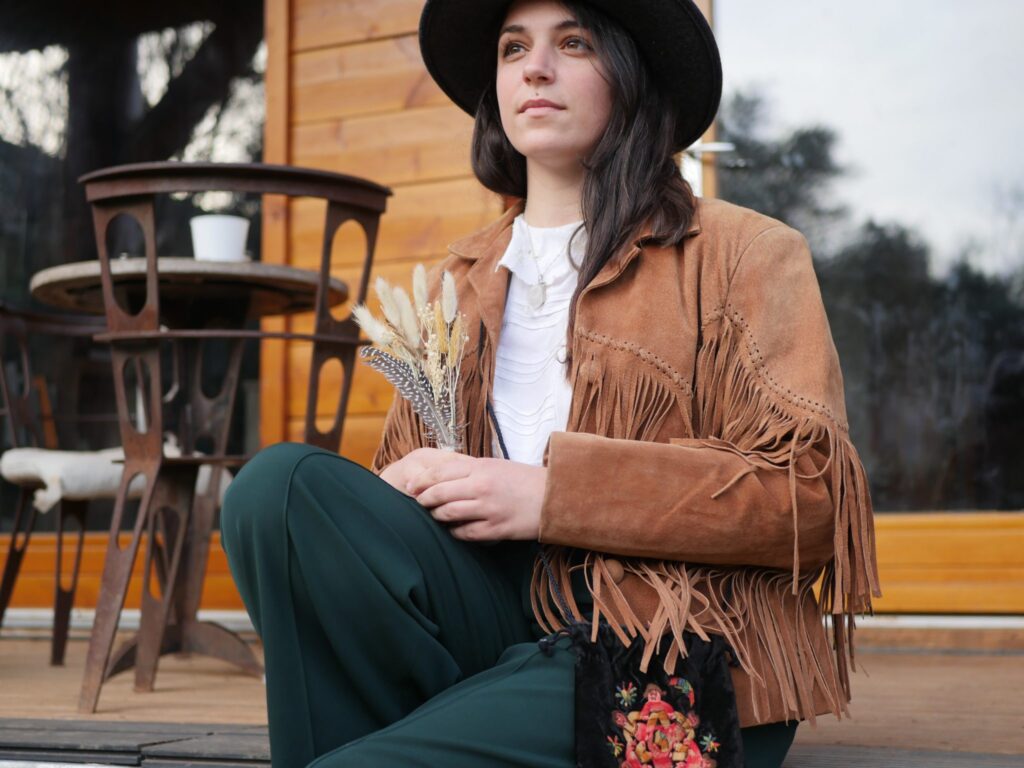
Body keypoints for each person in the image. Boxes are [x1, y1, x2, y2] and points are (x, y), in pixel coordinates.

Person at [220, 1, 881, 766]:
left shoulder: (744, 254)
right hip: (498, 630)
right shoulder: (457, 282)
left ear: (632, 78)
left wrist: (550, 496)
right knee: (279, 488)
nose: (534, 67)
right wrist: (407, 491)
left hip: (670, 655)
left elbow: (806, 498)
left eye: (574, 44)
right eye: (512, 49)